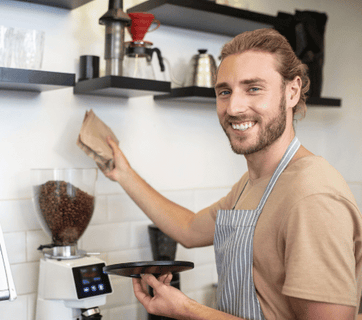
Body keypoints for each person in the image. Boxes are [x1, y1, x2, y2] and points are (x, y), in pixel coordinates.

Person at [102, 28, 362, 320]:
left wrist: (188, 310)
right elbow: (188, 229)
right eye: (224, 91)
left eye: (254, 88)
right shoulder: (254, 183)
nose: (234, 107)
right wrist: (123, 173)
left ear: (292, 92)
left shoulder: (313, 197)